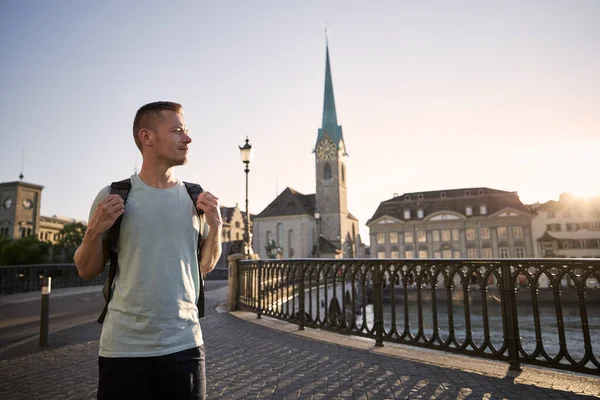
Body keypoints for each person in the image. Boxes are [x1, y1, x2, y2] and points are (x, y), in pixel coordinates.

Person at [74, 101, 222, 400]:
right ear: (147, 137)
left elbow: (203, 267)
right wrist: (94, 230)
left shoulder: (196, 198)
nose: (188, 139)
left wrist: (216, 227)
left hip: (185, 345)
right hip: (123, 348)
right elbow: (86, 269)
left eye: (187, 131)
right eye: (178, 130)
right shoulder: (113, 196)